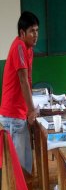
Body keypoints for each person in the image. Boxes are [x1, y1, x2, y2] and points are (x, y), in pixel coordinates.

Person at [0, 11, 39, 174]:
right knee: (18, 168)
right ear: (22, 33)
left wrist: (30, 109)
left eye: (37, 30)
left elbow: (28, 80)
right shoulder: (19, 47)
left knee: (25, 165)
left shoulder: (28, 49)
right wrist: (31, 111)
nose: (35, 35)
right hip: (12, 115)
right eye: (32, 31)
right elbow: (22, 80)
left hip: (19, 113)